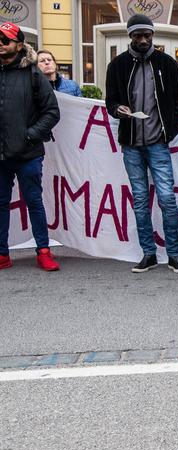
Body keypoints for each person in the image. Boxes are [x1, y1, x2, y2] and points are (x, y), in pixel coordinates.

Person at [105, 14, 178, 274]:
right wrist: (118, 109)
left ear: (153, 35)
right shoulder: (117, 65)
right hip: (131, 144)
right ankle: (148, 254)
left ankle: (174, 254)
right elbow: (110, 102)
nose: (143, 39)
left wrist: (169, 132)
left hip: (157, 143)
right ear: (130, 36)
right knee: (140, 199)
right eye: (138, 35)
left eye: (147, 35)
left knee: (167, 198)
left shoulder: (167, 63)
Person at [0, 22, 60, 271]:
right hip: (1, 155)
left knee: (34, 201)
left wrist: (30, 135)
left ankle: (43, 252)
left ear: (19, 45)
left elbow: (52, 112)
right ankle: (2, 254)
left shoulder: (33, 74)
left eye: (5, 41)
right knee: (1, 203)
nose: (0, 45)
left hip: (28, 154)